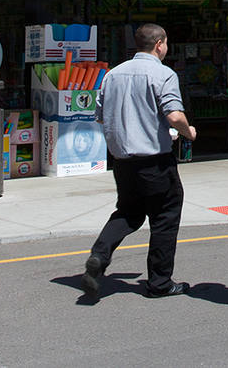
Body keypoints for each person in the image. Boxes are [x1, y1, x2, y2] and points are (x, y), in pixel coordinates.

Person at [80, 23, 198, 300]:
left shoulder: (113, 75)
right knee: (165, 218)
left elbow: (99, 115)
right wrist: (188, 131)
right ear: (159, 44)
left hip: (123, 162)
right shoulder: (163, 73)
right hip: (155, 160)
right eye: (166, 44)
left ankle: (100, 254)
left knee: (128, 212)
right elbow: (173, 115)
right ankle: (159, 282)